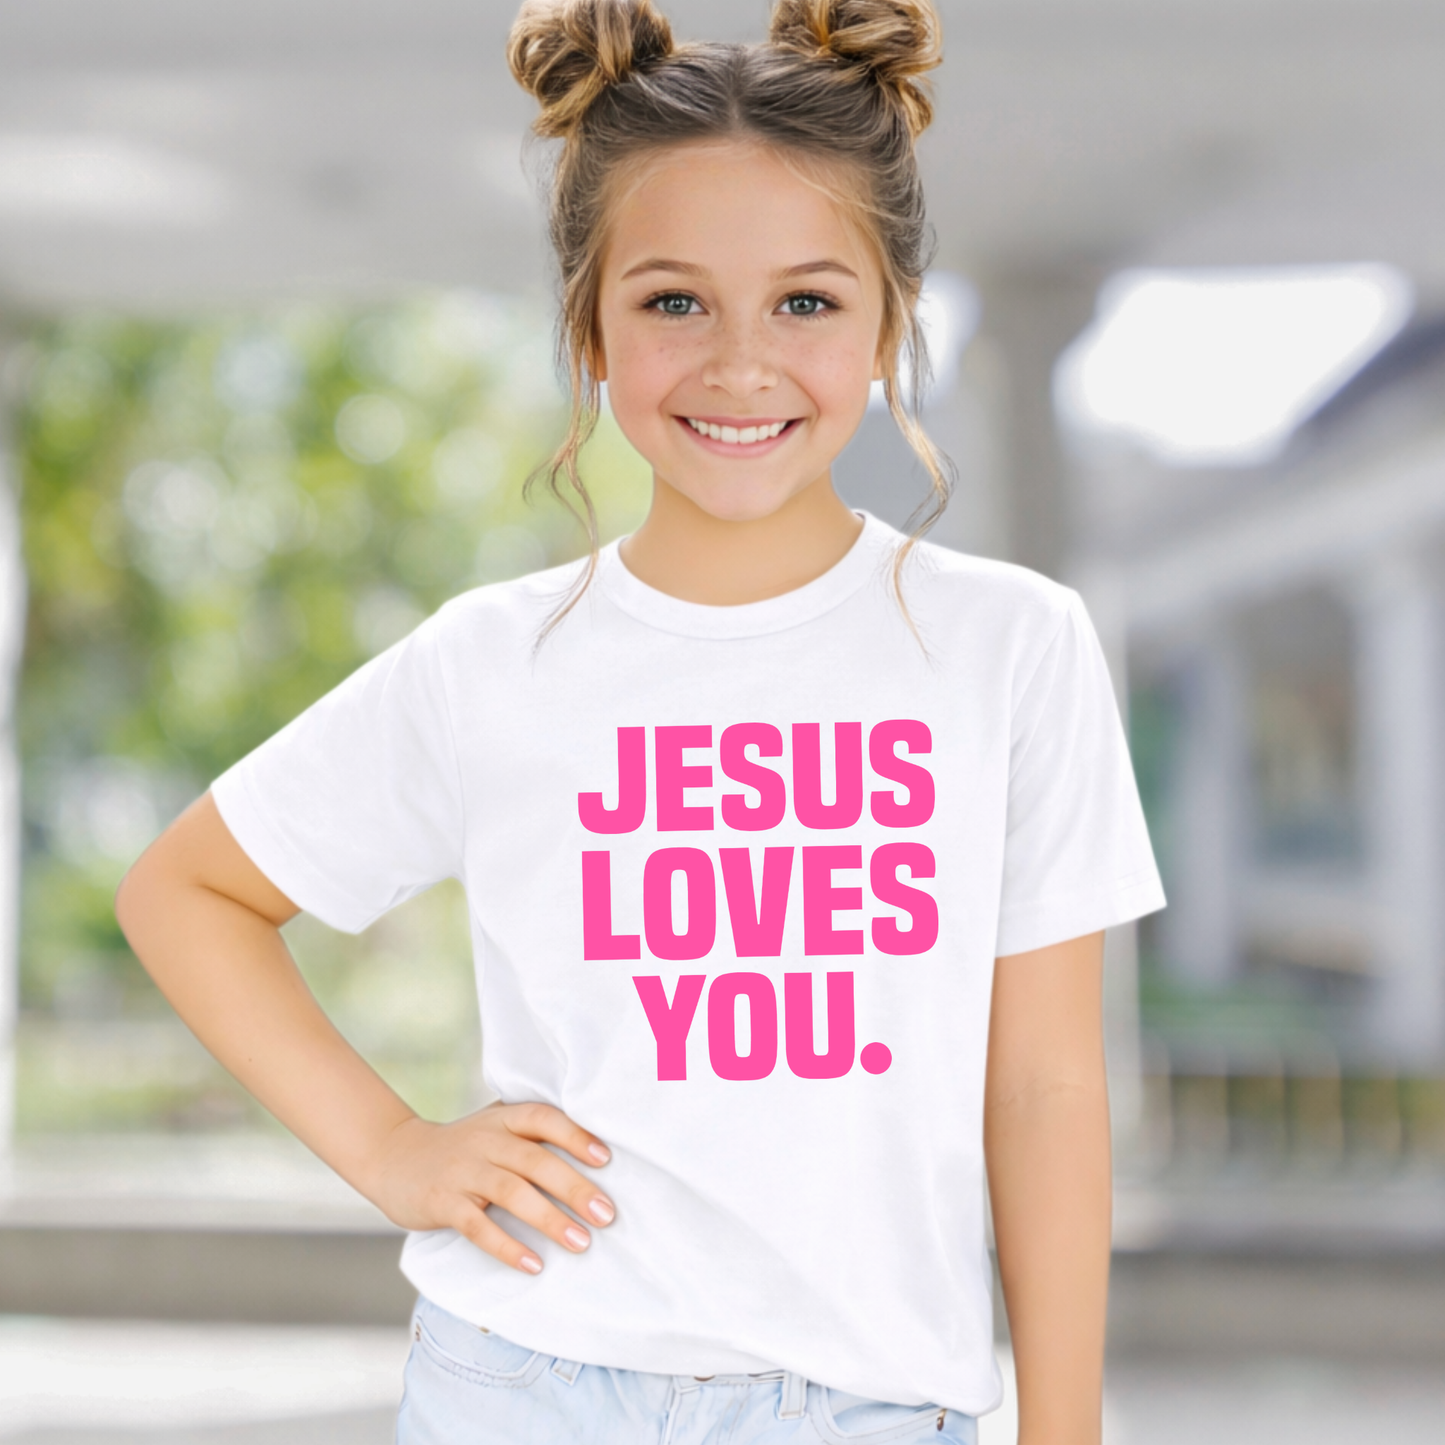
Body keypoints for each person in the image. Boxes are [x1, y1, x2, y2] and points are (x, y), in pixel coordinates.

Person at [115, 1, 1165, 1441]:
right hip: (524, 1383)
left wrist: (1066, 1427)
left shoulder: (1011, 648)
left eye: (807, 301)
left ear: (888, 326)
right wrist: (395, 1151)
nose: (741, 363)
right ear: (591, 329)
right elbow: (186, 889)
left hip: (872, 1403)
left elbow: (1044, 1085)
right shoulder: (493, 661)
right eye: (674, 301)